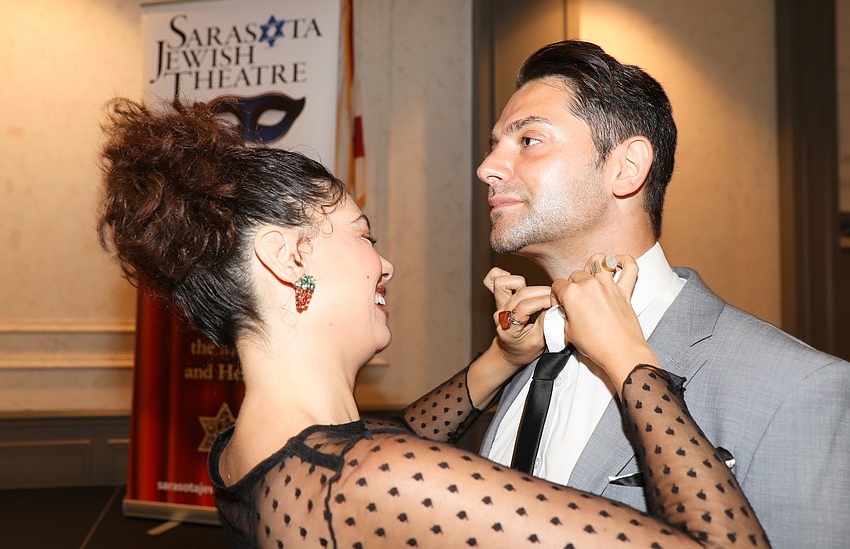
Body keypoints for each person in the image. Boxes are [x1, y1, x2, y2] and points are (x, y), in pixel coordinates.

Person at [97, 97, 770, 548]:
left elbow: (383, 435)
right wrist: (630, 359)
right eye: (363, 234)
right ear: (289, 256)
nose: (383, 264)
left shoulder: (244, 453)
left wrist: (500, 360)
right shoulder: (369, 479)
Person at [476, 39, 850, 549]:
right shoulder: (527, 357)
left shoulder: (797, 387)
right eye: (494, 144)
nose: (488, 167)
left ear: (626, 168)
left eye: (529, 140)